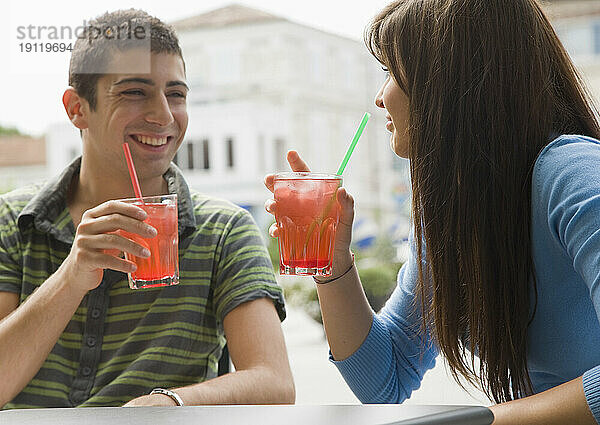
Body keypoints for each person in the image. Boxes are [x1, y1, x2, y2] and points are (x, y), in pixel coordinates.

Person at [265, 0, 600, 423]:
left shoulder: (573, 174)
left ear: (448, 80)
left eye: (389, 71)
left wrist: (484, 421)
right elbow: (383, 380)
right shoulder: (453, 213)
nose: (379, 97)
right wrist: (334, 267)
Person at [0, 9, 294, 409]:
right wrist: (71, 276)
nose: (163, 115)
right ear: (77, 109)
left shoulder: (224, 231)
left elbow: (275, 385)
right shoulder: (11, 221)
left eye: (176, 94)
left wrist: (170, 402)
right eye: (135, 92)